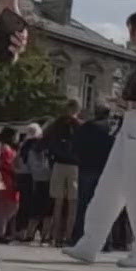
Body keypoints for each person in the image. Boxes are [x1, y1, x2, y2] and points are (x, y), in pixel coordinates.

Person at [64, 8, 136, 269]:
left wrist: (130, 104)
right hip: (134, 124)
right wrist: (128, 105)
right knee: (110, 186)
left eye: (131, 28)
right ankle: (90, 243)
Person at [70, 106, 115, 248]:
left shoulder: (86, 128)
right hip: (106, 171)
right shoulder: (111, 129)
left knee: (83, 205)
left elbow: (75, 146)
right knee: (105, 207)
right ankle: (106, 241)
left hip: (86, 168)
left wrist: (81, 159)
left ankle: (78, 237)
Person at [41, 100, 81, 246]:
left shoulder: (56, 123)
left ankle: (55, 235)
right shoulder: (80, 125)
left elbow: (43, 139)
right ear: (78, 110)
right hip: (75, 166)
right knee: (73, 202)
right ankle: (69, 236)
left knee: (57, 202)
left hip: (58, 164)